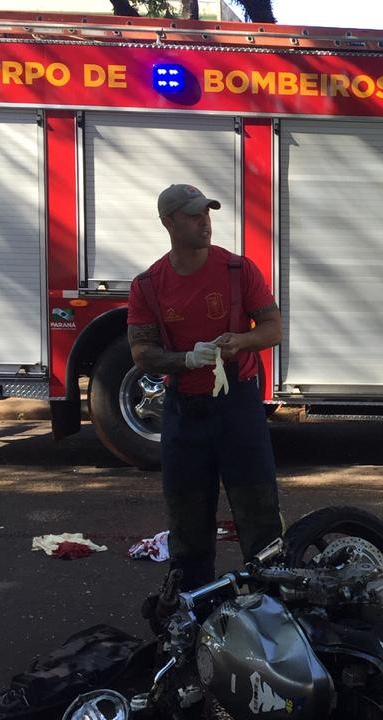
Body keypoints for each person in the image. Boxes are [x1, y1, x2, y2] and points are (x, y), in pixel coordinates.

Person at [127, 183, 284, 590]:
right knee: (188, 522)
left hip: (238, 406)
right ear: (168, 222)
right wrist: (185, 360)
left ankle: (270, 608)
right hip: (185, 411)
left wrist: (241, 340)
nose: (204, 222)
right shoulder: (149, 285)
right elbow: (142, 352)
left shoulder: (237, 269)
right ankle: (194, 615)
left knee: (259, 515)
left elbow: (273, 328)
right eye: (193, 215)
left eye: (207, 213)